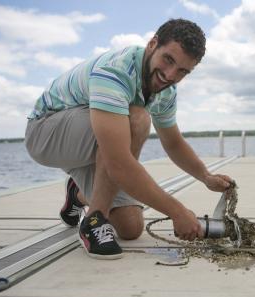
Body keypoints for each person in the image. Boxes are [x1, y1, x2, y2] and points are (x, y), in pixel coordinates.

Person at [25, 19, 233, 260]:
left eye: (182, 71)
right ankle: (93, 221)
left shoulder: (166, 90)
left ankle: (78, 195)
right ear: (152, 44)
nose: (169, 75)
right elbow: (120, 163)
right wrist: (177, 211)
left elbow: (173, 142)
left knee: (131, 228)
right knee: (137, 118)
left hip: (91, 139)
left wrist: (205, 176)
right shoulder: (116, 72)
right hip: (45, 134)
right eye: (168, 60)